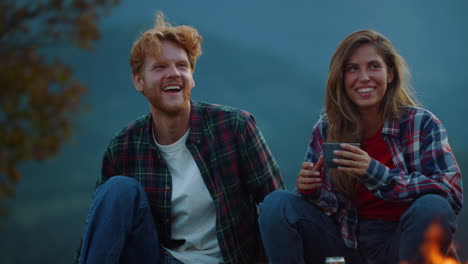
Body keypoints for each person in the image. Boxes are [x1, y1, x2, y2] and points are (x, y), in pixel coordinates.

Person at [76, 11, 284, 264]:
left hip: (231, 259)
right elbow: (101, 229)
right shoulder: (124, 147)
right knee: (118, 189)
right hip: (159, 258)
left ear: (192, 78)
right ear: (139, 81)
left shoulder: (234, 127)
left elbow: (276, 209)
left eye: (182, 66)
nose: (174, 73)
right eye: (160, 67)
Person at [258, 29, 463, 264]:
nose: (364, 77)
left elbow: (449, 193)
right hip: (345, 244)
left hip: (403, 244)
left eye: (374, 66)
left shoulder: (421, 124)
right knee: (276, 204)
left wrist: (373, 172)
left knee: (433, 205)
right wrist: (310, 190)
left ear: (390, 74)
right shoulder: (327, 129)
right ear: (341, 77)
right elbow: (326, 208)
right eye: (352, 68)